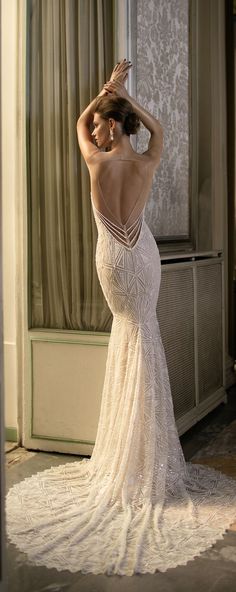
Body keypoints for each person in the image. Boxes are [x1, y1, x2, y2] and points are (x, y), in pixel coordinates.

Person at [6, 60, 236, 577]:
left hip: (113, 256)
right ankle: (146, 456)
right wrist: (128, 102)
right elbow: (159, 130)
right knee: (144, 334)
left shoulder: (96, 161)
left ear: (109, 127)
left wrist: (107, 92)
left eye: (102, 123)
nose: (95, 129)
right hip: (143, 256)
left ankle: (127, 454)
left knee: (125, 335)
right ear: (129, 122)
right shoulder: (147, 162)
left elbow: (78, 123)